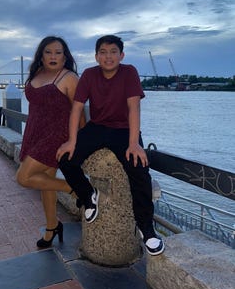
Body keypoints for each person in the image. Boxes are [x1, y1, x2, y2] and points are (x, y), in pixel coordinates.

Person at [56, 34, 165, 256]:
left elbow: (134, 107)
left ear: (121, 55)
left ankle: (146, 229)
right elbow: (77, 108)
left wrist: (134, 143)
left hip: (124, 130)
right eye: (103, 52)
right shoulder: (89, 74)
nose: (108, 56)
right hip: (97, 126)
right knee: (66, 160)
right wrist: (72, 140)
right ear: (96, 56)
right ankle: (88, 196)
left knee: (138, 170)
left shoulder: (129, 72)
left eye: (113, 52)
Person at [16, 36, 84, 248]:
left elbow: (79, 112)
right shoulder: (37, 73)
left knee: (24, 177)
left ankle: (79, 189)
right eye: (48, 52)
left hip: (57, 136)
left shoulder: (69, 78)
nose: (53, 56)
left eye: (58, 52)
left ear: (65, 56)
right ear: (41, 55)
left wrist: (78, 141)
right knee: (46, 183)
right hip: (35, 132)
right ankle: (52, 226)